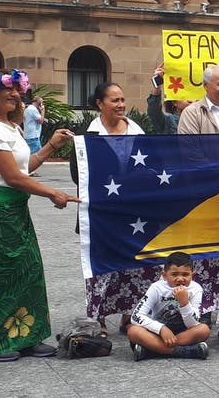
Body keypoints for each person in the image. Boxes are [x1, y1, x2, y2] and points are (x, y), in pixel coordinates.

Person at [0, 68, 79, 362]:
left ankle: (27, 335)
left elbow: (24, 167)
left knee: (26, 271)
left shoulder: (11, 128)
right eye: (7, 89)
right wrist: (53, 193)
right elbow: (12, 177)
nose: (15, 95)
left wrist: (51, 146)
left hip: (14, 209)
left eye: (17, 90)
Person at [81, 82, 147, 337]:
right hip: (101, 213)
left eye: (122, 99)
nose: (121, 105)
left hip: (134, 211)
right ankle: (99, 318)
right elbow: (80, 175)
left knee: (135, 263)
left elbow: (150, 167)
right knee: (102, 266)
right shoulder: (89, 135)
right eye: (114, 100)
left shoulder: (138, 131)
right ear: (99, 104)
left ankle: (131, 314)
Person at [127, 251, 210, 361]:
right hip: (157, 333)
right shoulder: (156, 288)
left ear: (192, 275)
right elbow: (136, 316)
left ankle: (152, 350)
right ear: (164, 275)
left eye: (185, 274)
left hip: (183, 333)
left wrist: (184, 303)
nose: (180, 279)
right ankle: (184, 351)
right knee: (133, 331)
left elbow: (193, 324)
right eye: (174, 274)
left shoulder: (196, 289)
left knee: (204, 330)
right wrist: (161, 329)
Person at [146, 64, 192, 134]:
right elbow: (154, 112)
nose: (190, 100)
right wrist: (157, 82)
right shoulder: (169, 121)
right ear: (174, 102)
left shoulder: (203, 119)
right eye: (184, 96)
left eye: (193, 96)